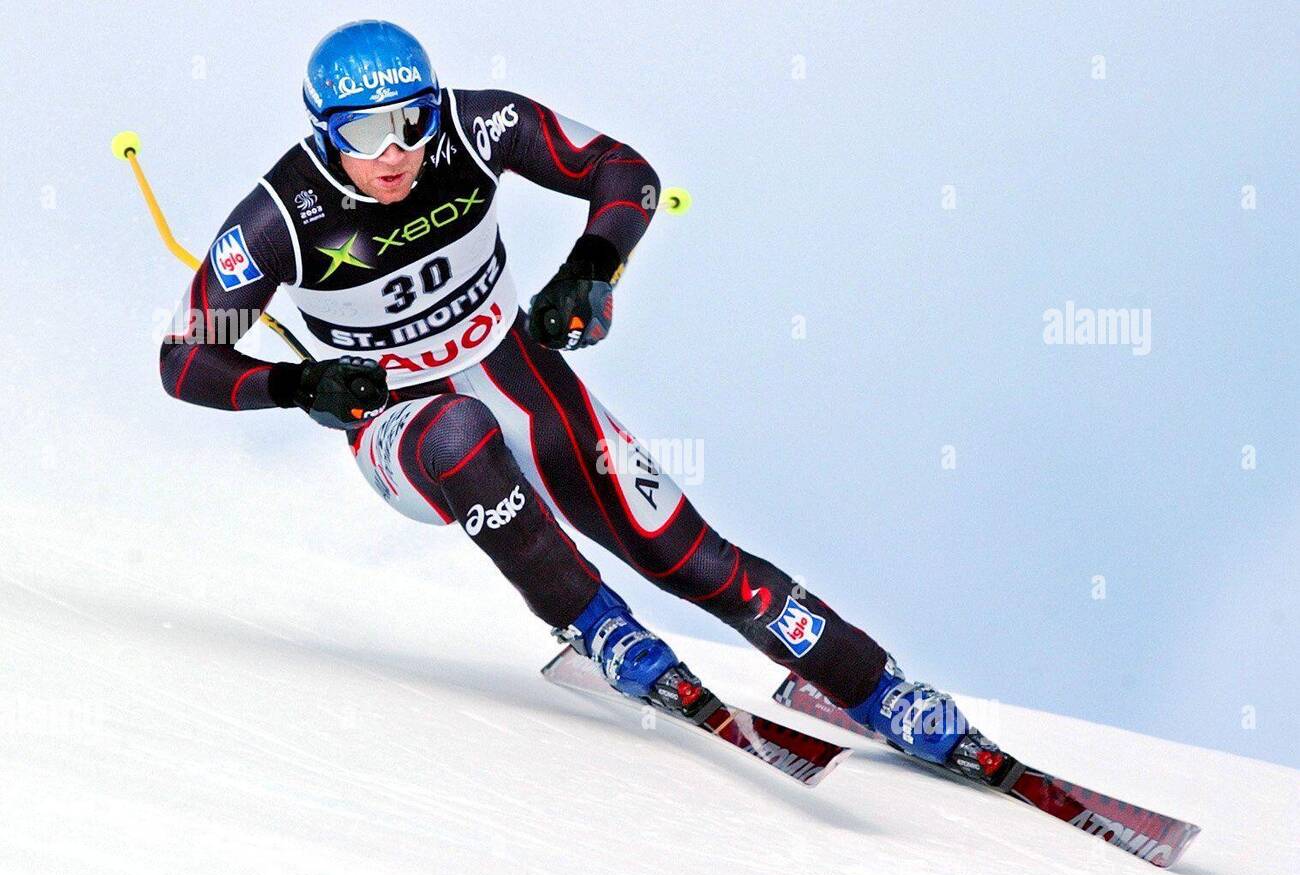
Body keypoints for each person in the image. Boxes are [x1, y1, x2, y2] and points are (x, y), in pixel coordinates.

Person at [159, 19, 1003, 780]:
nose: (396, 152)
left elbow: (624, 170)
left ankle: (879, 690)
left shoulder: (473, 125)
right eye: (365, 133)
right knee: (460, 432)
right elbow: (182, 358)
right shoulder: (277, 219)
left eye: (411, 121)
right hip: (400, 423)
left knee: (688, 554)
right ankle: (597, 625)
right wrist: (297, 383)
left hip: (519, 373)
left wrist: (592, 266)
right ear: (321, 134)